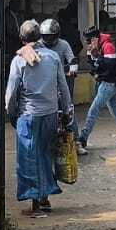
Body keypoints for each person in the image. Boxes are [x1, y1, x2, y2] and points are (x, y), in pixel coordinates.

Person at [4, 20, 72, 217]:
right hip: (50, 114)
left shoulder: (19, 60)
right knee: (45, 155)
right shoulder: (53, 57)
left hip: (29, 115)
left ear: (21, 38)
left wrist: (11, 112)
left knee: (29, 159)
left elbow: (11, 92)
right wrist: (67, 110)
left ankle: (35, 205)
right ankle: (44, 198)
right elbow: (63, 86)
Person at [78, 24, 116, 149]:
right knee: (115, 109)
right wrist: (93, 56)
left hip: (109, 83)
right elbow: (93, 66)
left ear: (95, 38)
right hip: (109, 83)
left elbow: (108, 66)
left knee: (94, 110)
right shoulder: (95, 47)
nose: (88, 43)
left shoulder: (108, 46)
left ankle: (83, 138)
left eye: (89, 40)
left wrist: (96, 57)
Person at [39, 18, 86, 155]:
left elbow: (72, 59)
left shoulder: (63, 44)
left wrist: (73, 69)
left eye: (51, 36)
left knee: (68, 108)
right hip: (44, 83)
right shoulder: (38, 45)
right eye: (46, 36)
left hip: (62, 80)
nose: (48, 39)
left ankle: (76, 142)